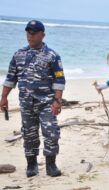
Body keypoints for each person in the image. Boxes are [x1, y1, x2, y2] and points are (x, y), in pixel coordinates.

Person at [0, 20, 66, 177]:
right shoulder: (18, 55)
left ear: (42, 35)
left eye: (34, 33)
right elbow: (10, 78)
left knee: (51, 132)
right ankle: (32, 165)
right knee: (29, 133)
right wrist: (3, 98)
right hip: (26, 102)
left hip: (47, 102)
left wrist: (57, 101)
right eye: (28, 32)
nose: (30, 36)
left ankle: (51, 164)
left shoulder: (52, 56)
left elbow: (59, 79)